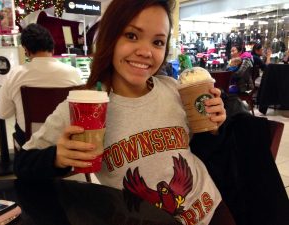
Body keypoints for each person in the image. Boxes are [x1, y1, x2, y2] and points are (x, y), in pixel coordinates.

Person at [13, 1, 234, 225]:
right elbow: (22, 164)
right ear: (110, 37)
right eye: (132, 35)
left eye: (158, 42)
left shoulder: (173, 89)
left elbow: (197, 151)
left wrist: (214, 127)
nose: (146, 51)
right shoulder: (84, 106)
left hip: (211, 208)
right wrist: (57, 158)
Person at [0, 23, 83, 148]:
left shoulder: (15, 75)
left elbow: (3, 113)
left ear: (26, 50)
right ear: (52, 48)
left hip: (30, 143)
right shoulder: (73, 73)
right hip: (65, 140)